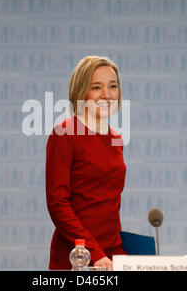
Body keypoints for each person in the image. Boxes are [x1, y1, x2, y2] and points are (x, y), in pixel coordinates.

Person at [45, 56, 128, 270]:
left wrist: (122, 258)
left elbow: (110, 206)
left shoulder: (116, 139)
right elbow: (58, 203)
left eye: (113, 86)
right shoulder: (65, 134)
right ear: (81, 92)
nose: (106, 95)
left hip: (110, 257)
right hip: (77, 258)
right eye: (96, 87)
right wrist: (93, 252)